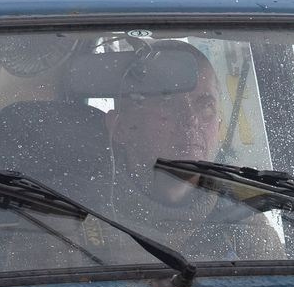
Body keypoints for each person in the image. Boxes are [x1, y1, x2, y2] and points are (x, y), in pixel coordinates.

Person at [104, 39, 281, 261]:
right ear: (122, 127)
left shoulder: (244, 224)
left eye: (205, 105)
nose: (191, 120)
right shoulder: (81, 220)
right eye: (168, 102)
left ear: (218, 125)